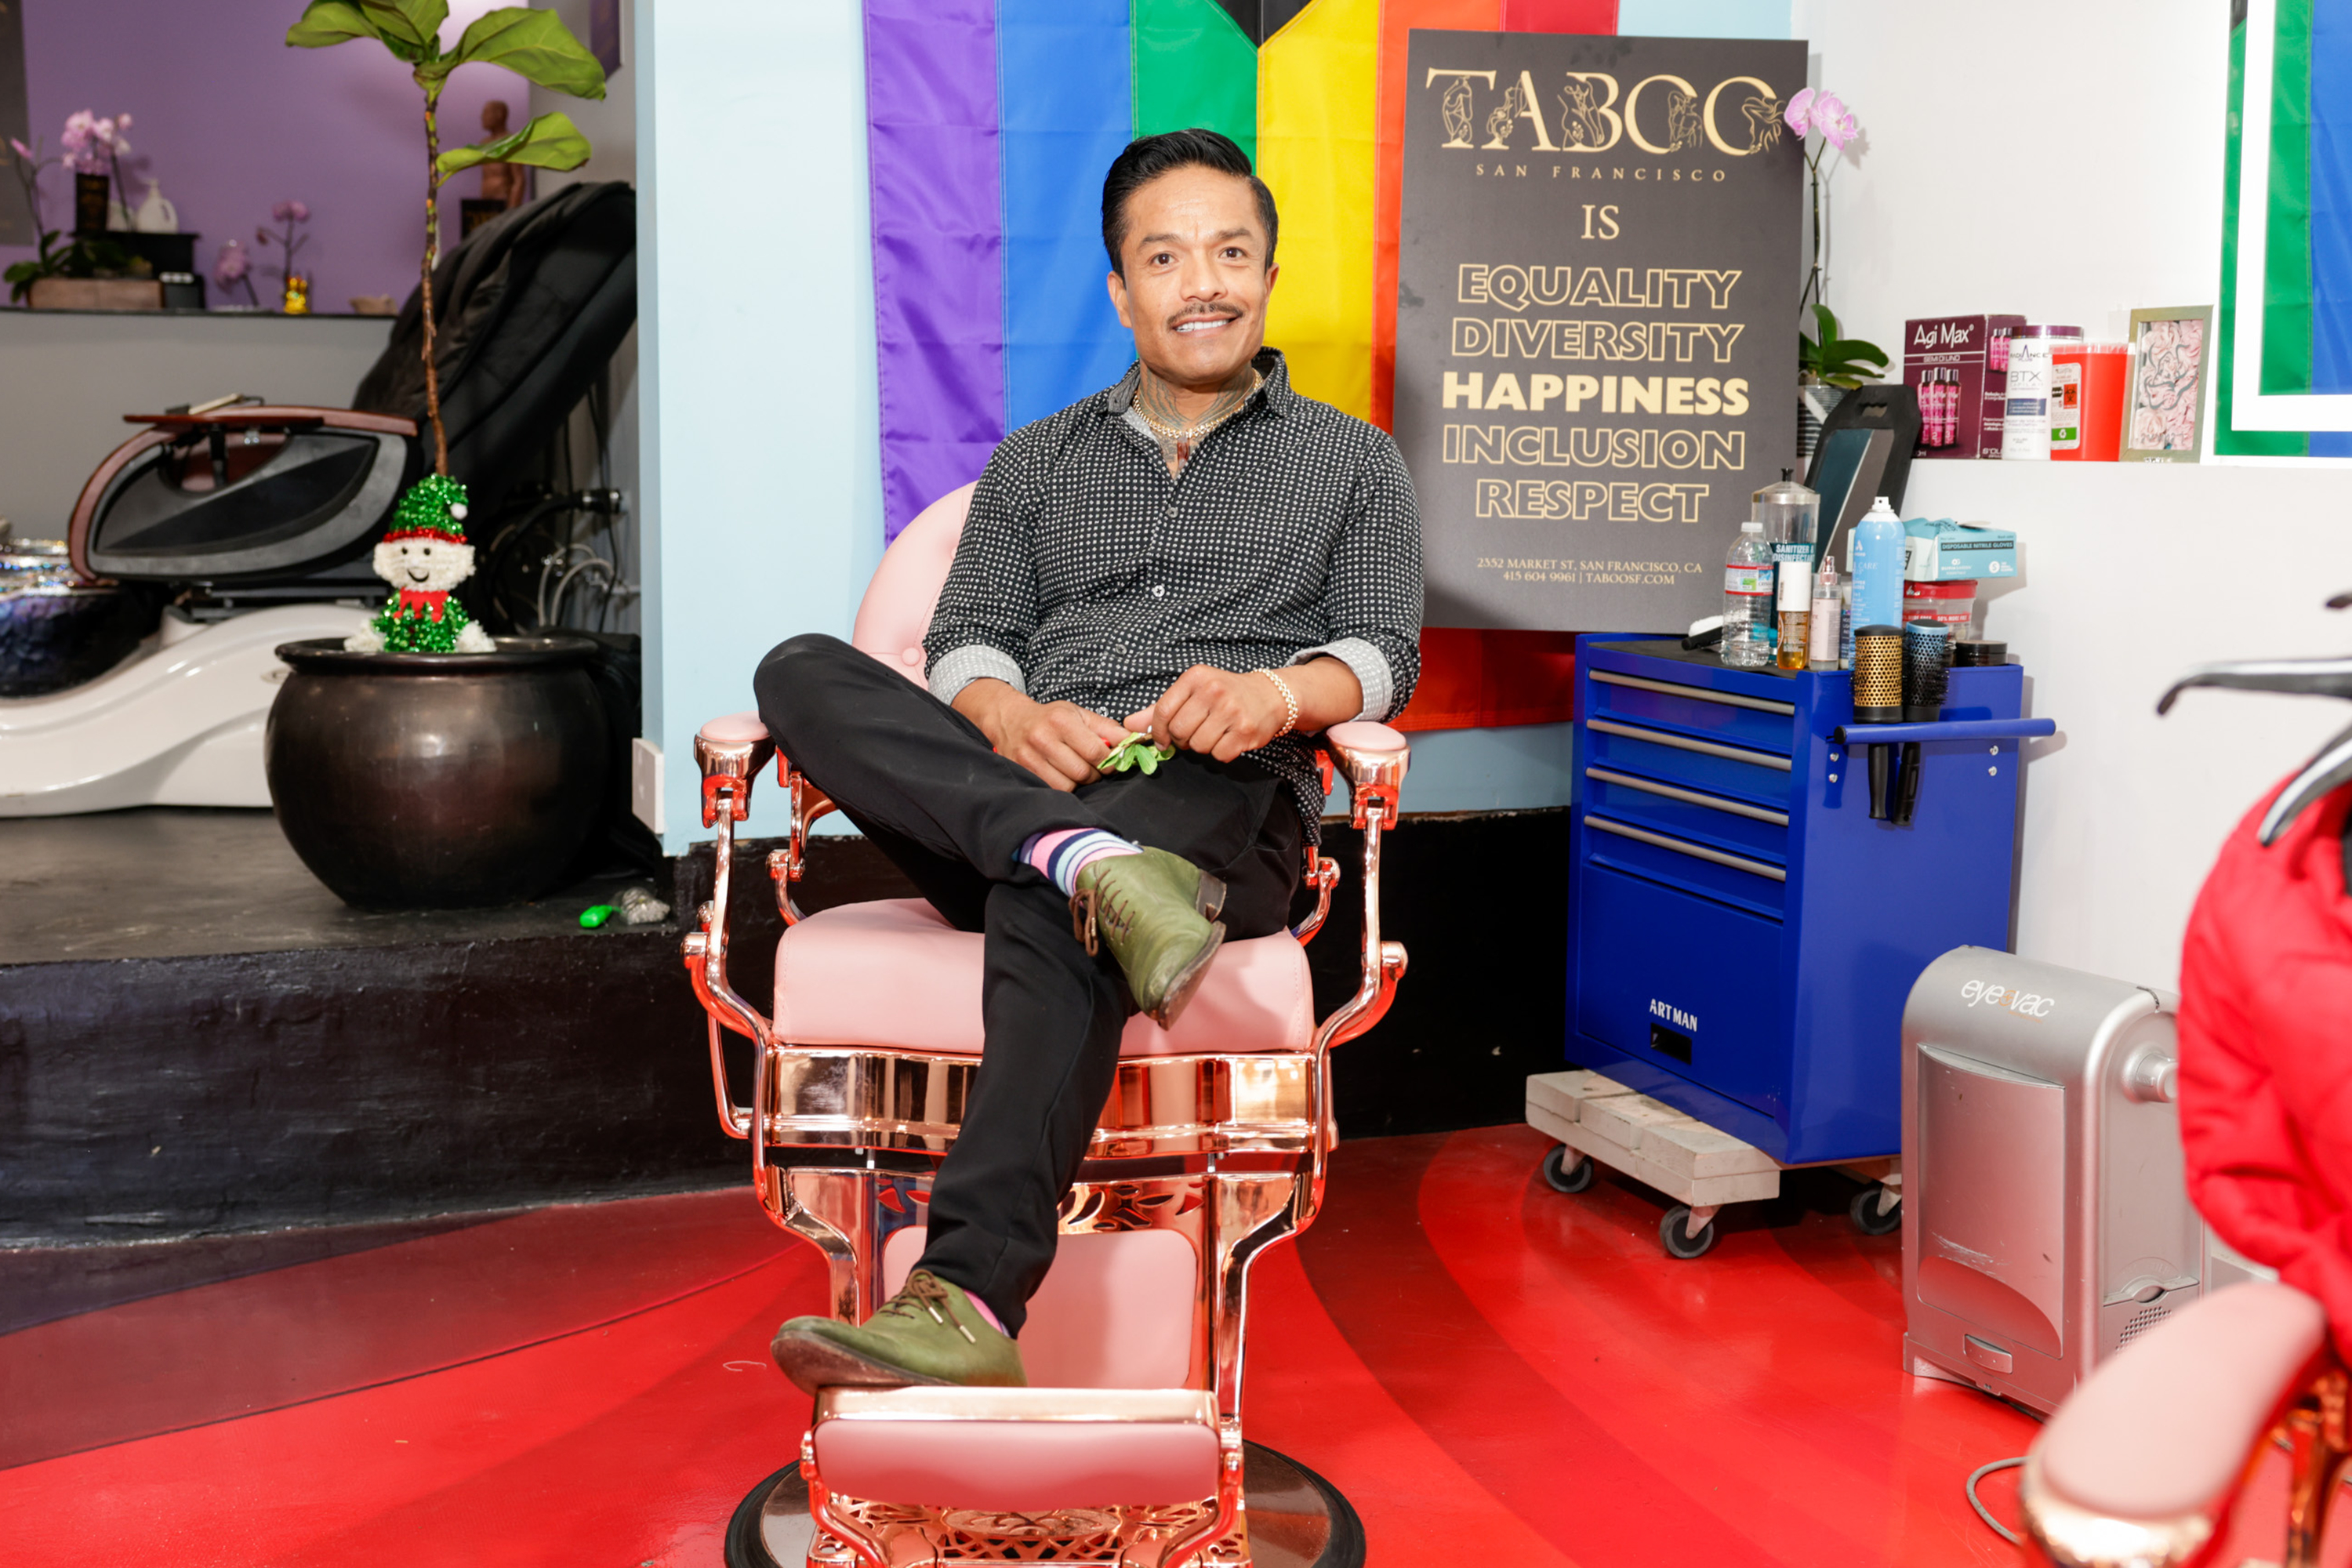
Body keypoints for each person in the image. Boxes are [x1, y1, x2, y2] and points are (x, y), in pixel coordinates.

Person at [757, 128, 1423, 1392]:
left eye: (1231, 252)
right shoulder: (1036, 461)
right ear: (1122, 289)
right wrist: (1006, 716)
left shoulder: (1353, 464)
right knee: (798, 666)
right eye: (1166, 257)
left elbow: (1386, 653)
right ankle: (1077, 855)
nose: (1204, 282)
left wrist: (1274, 692)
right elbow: (963, 642)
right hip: (1028, 789)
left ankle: (961, 1295)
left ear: (1268, 274)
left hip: (1217, 796)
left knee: (1070, 892)